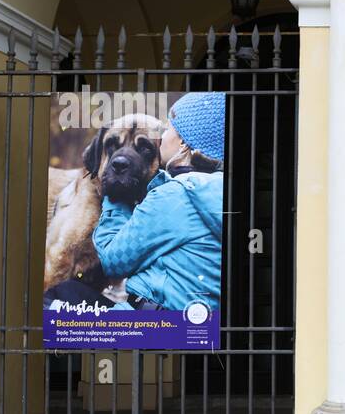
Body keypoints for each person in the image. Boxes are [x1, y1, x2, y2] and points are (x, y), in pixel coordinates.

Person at [45, 91, 225, 311]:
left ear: (184, 145)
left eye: (169, 129)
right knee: (70, 292)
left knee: (53, 300)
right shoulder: (214, 190)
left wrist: (115, 194)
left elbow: (112, 261)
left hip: (156, 325)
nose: (163, 133)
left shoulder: (173, 195)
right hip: (197, 321)